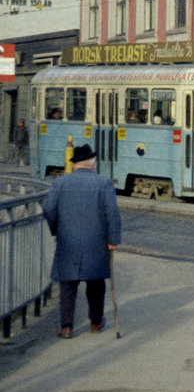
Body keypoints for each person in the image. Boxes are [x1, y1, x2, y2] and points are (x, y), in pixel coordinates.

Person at [43, 144, 121, 338]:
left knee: (67, 284)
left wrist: (56, 230)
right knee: (95, 283)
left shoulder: (60, 183)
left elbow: (49, 210)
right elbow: (112, 213)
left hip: (68, 240)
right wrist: (113, 240)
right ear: (93, 165)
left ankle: (67, 327)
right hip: (96, 242)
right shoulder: (104, 183)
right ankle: (95, 322)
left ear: (74, 165)